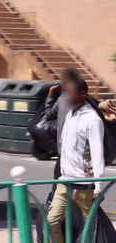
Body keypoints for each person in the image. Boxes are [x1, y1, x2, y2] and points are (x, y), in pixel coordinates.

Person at [47, 74, 105, 243]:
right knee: (52, 221)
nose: (66, 97)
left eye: (70, 93)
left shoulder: (92, 120)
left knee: (89, 229)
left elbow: (96, 153)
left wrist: (98, 186)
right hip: (65, 183)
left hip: (85, 186)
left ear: (82, 93)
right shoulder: (70, 116)